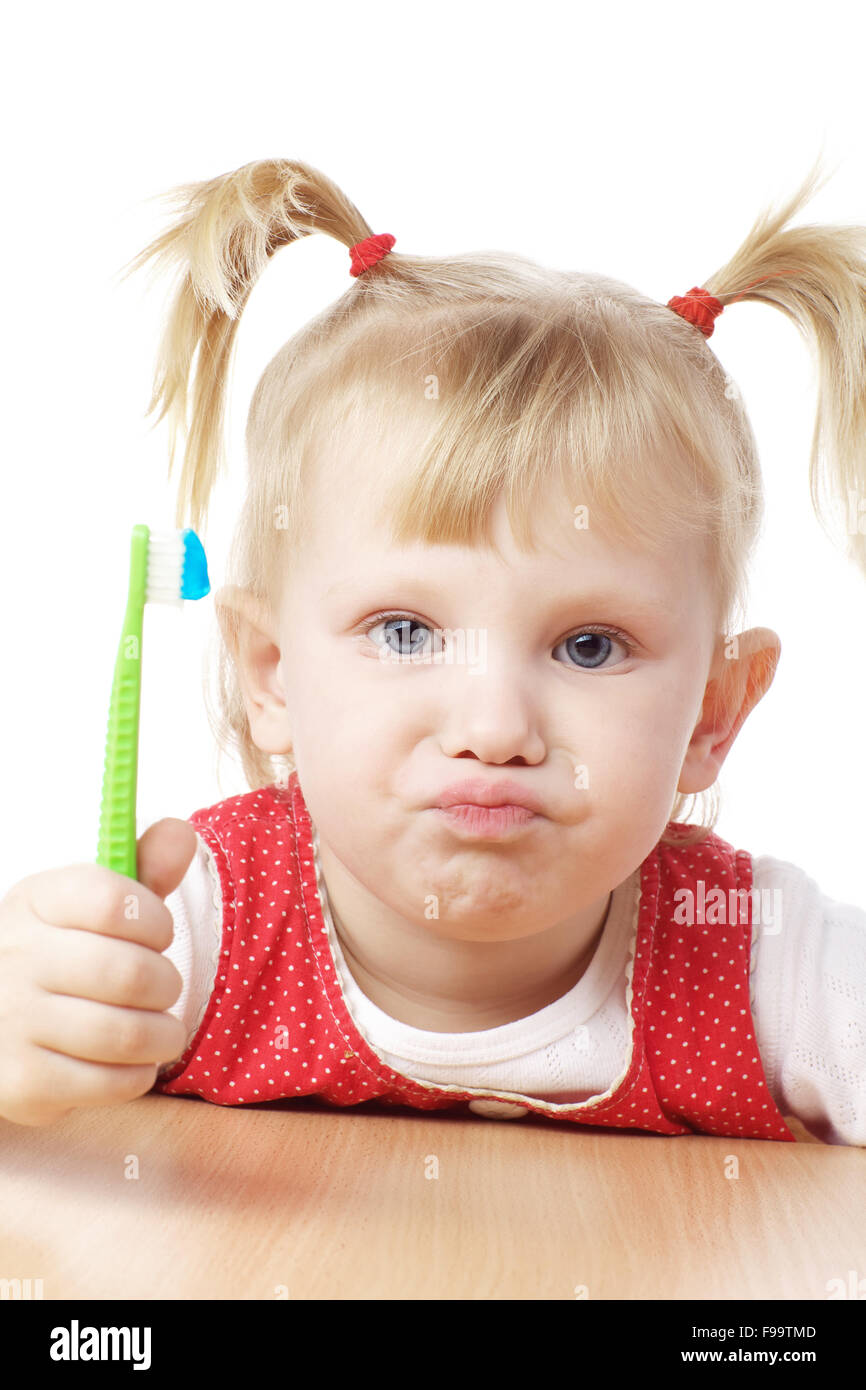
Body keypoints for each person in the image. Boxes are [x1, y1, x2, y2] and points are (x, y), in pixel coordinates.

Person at [1, 157, 863, 1144]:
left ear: (713, 713)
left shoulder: (763, 960)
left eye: (587, 646)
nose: (493, 727)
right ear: (269, 672)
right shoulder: (186, 932)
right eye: (405, 632)